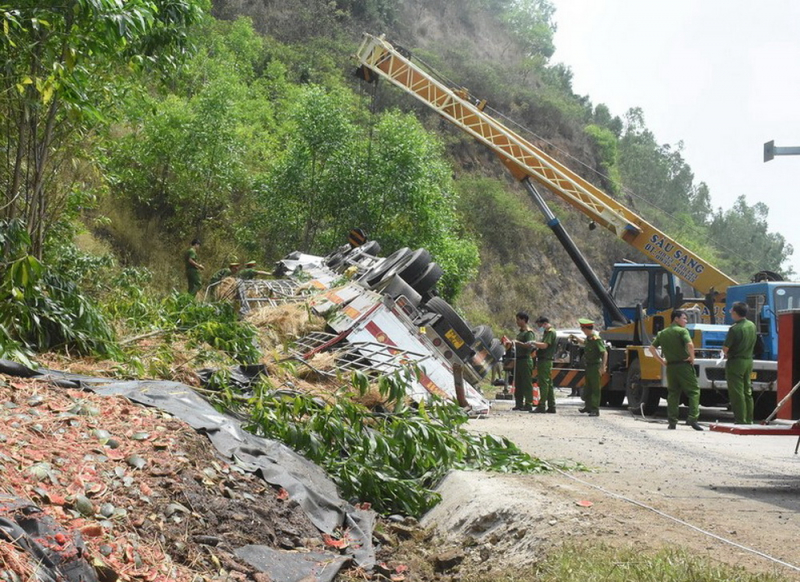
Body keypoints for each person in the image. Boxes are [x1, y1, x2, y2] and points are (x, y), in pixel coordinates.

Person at [647, 310, 703, 431]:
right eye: (684, 318)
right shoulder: (682, 331)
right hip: (684, 366)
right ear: (676, 319)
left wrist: (662, 361)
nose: (686, 321)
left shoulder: (662, 333)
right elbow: (690, 345)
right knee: (694, 392)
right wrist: (692, 358)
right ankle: (693, 418)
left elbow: (651, 348)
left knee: (673, 394)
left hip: (671, 367)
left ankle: (672, 422)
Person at [723, 302, 757, 424]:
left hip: (736, 362)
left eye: (731, 311)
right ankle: (749, 419)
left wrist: (724, 354)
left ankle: (740, 419)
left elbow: (725, 349)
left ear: (735, 313)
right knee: (747, 391)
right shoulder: (752, 325)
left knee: (737, 392)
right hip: (748, 360)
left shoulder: (735, 329)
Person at [574, 318, 607, 417]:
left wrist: (603, 367)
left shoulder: (596, 339)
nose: (582, 331)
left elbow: (604, 353)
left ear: (586, 328)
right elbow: (585, 343)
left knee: (595, 389)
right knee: (588, 387)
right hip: (589, 366)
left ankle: (595, 409)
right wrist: (576, 338)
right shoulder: (589, 338)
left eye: (582, 329)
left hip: (595, 366)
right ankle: (588, 407)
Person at [511, 311, 536, 411]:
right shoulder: (520, 333)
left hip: (526, 360)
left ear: (524, 320)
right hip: (519, 360)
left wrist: (518, 343)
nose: (517, 322)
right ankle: (519, 403)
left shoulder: (529, 333)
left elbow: (530, 346)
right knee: (518, 383)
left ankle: (528, 403)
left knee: (526, 383)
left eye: (518, 320)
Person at [531, 316, 557, 414]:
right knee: (548, 384)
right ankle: (551, 406)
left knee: (544, 383)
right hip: (545, 360)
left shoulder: (550, 332)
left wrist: (534, 343)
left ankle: (541, 406)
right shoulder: (547, 332)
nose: (539, 328)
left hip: (545, 361)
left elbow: (545, 345)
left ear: (544, 323)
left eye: (540, 326)